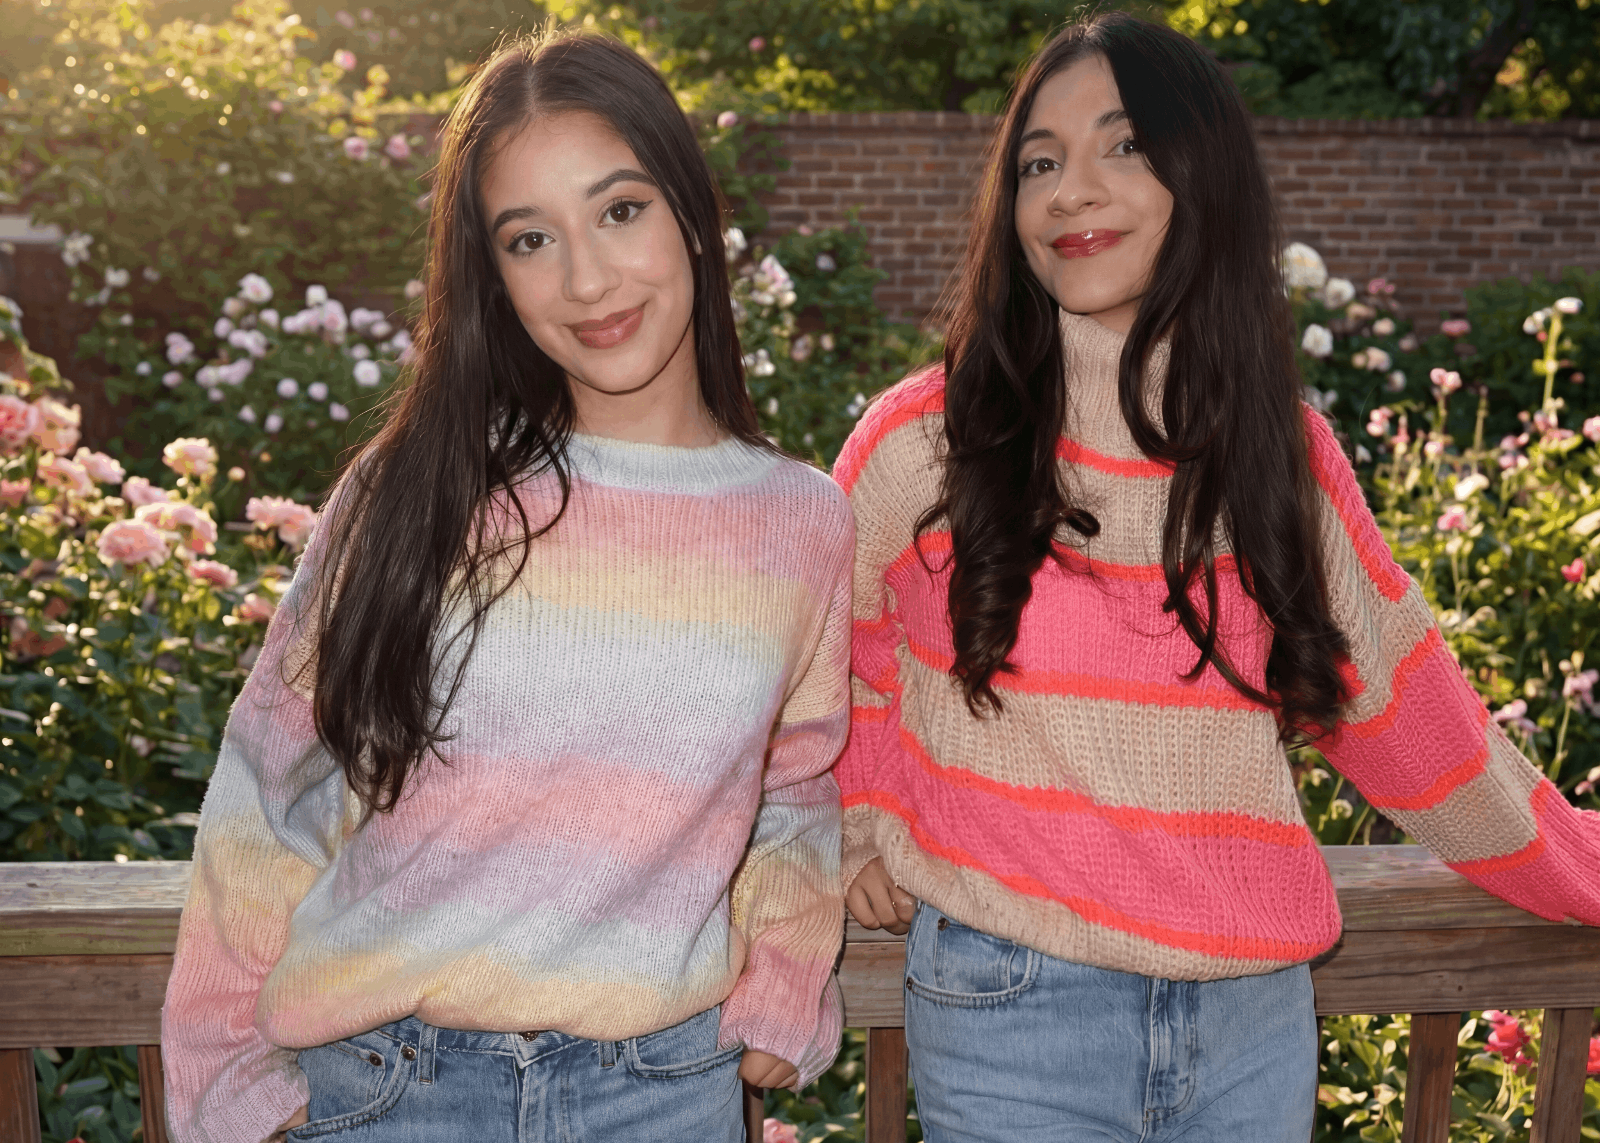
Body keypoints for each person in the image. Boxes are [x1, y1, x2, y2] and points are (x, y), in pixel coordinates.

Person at [834, 12, 1600, 1142]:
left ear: (1203, 177)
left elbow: (1409, 715)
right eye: (1038, 162)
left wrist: (1584, 873)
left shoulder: (1276, 453)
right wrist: (857, 821)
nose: (1069, 191)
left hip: (1252, 1027)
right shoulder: (922, 442)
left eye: (1123, 145)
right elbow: (824, 654)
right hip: (1012, 1013)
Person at [161, 31, 852, 1143]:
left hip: (663, 1096)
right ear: (493, 273)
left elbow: (796, 783)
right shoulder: (415, 491)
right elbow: (271, 786)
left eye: (619, 210)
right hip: (390, 1093)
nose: (587, 279)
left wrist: (783, 973)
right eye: (531, 238)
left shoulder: (801, 521)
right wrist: (233, 1090)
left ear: (690, 212)